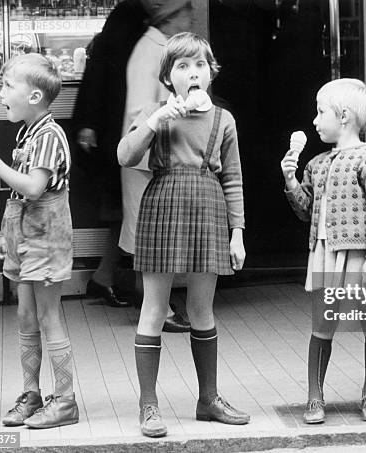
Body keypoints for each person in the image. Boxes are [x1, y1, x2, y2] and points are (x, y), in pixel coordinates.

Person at [117, 32, 249, 437]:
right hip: (162, 207)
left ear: (210, 73)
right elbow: (124, 155)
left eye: (200, 65)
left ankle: (208, 399)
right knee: (154, 308)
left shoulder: (224, 120)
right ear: (168, 77)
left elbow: (233, 179)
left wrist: (237, 232)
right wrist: (156, 120)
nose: (193, 73)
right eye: (182, 66)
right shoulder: (156, 113)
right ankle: (149, 405)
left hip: (208, 210)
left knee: (201, 310)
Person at [281, 79, 366, 423]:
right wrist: (290, 181)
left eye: (320, 112)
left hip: (362, 255)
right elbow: (305, 210)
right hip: (324, 253)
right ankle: (315, 397)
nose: (315, 121)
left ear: (343, 116)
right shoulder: (315, 164)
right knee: (321, 326)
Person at [0, 53, 79, 429]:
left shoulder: (50, 134)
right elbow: (21, 198)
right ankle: (32, 393)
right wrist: (9, 237)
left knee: (49, 316)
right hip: (26, 237)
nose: (1, 92)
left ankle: (65, 400)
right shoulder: (29, 133)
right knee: (25, 316)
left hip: (47, 238)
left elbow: (34, 189)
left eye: (6, 85)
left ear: (34, 97)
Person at [121, 0, 193, 332]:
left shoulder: (163, 47)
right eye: (187, 10)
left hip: (157, 157)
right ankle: (155, 309)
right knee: (146, 234)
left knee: (152, 233)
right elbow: (140, 108)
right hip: (144, 158)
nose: (191, 16)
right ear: (171, 15)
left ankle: (156, 305)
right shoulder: (149, 50)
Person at [72, 0, 150, 308]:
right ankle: (110, 280)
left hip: (114, 138)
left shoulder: (115, 35)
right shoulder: (134, 33)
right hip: (118, 139)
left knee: (122, 214)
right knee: (127, 214)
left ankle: (104, 279)